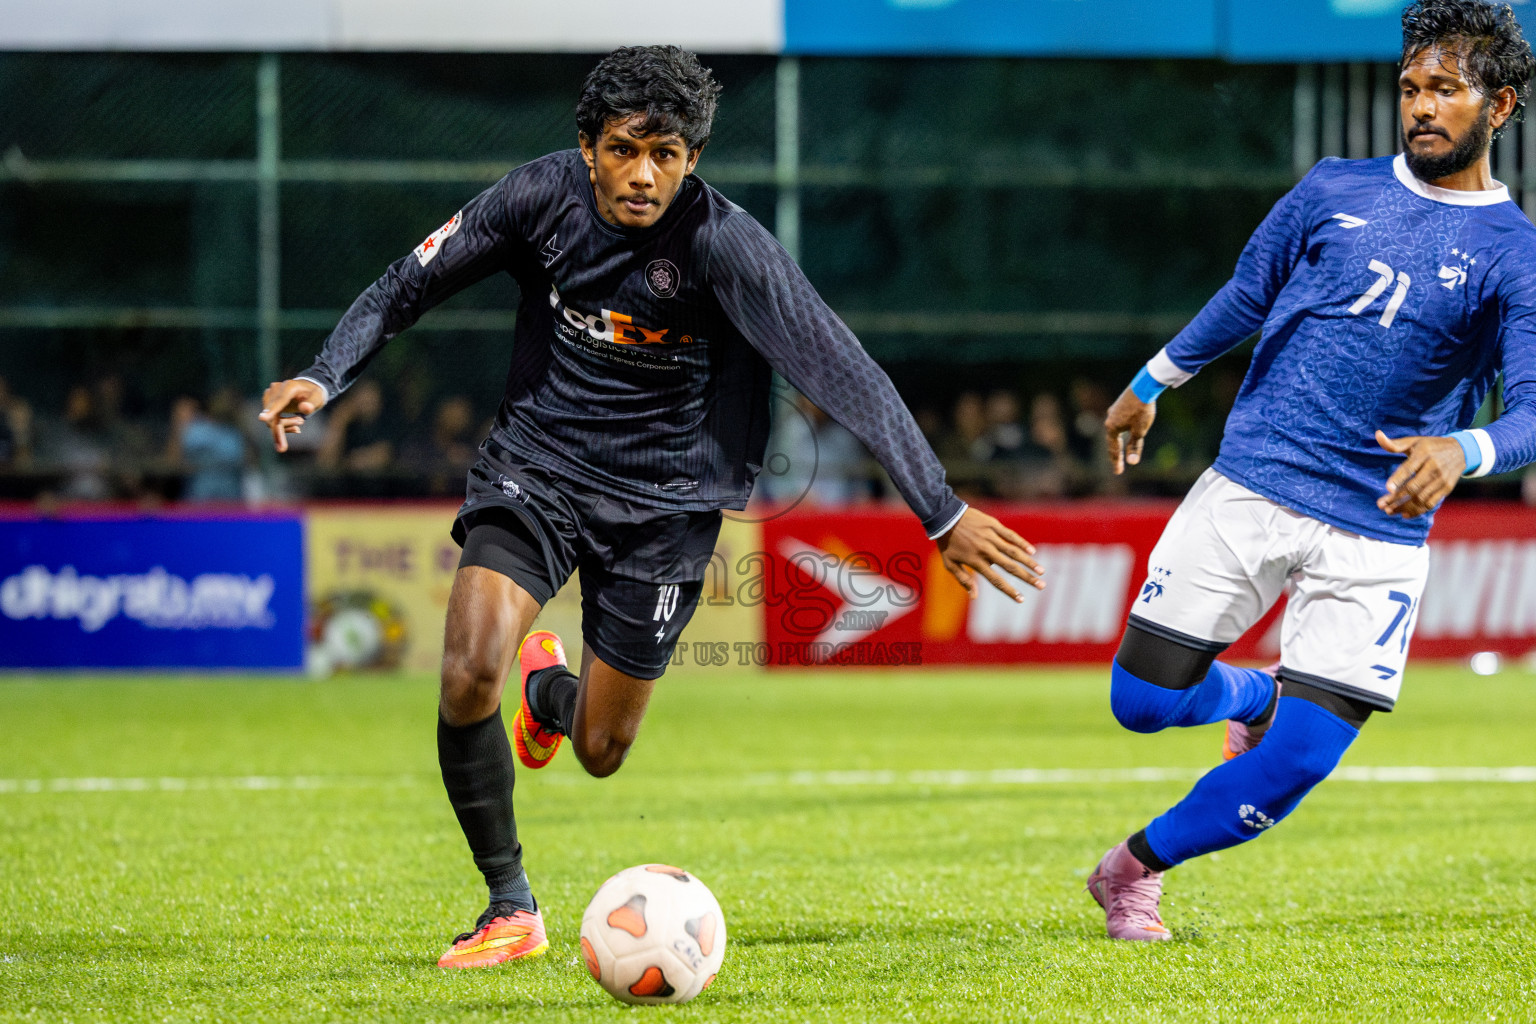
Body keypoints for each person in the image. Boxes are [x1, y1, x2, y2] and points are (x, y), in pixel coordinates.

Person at [257, 46, 1043, 968]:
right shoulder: (537, 197)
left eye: (666, 155)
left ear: (692, 158)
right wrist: (324, 374)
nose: (643, 175)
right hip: (538, 466)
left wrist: (941, 511)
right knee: (467, 670)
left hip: (666, 507)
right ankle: (509, 904)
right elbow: (409, 281)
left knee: (601, 748)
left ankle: (548, 695)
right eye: (625, 150)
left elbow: (842, 366)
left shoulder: (726, 245)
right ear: (588, 147)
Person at [1088, 0, 1536, 941]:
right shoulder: (1333, 185)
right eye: (1411, 87)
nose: (1422, 106)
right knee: (1143, 704)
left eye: (1446, 89)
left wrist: (1465, 449)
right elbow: (1247, 293)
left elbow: (1532, 411)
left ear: (1498, 107)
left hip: (1378, 527)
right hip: (1254, 481)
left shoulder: (1516, 256)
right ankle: (1255, 691)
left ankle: (1134, 869)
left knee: (1297, 762)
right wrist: (1152, 380)